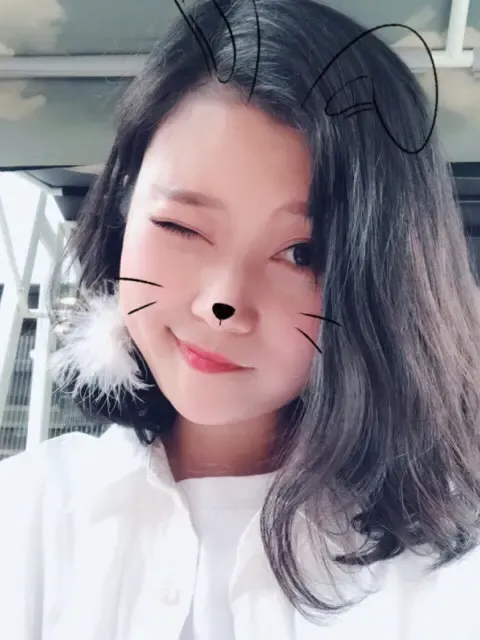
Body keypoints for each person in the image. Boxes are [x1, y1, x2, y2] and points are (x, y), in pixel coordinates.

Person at [1, 0, 480, 637]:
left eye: (302, 254)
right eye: (181, 226)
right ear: (122, 212)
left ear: (385, 278)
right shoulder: (24, 516)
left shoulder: (450, 576)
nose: (222, 304)